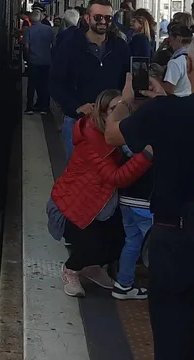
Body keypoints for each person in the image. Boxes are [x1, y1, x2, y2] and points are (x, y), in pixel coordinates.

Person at [106, 69, 194, 360]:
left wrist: (125, 101)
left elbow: (112, 133)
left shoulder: (166, 112)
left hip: (176, 236)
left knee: (172, 330)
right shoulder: (167, 108)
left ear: (190, 69)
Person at [47, 89, 152, 298]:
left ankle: (92, 267)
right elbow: (115, 177)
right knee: (95, 245)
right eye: (115, 109)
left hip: (101, 206)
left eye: (125, 108)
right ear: (102, 114)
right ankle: (71, 269)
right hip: (73, 208)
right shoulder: (93, 138)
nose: (121, 114)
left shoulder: (116, 135)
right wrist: (148, 155)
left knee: (123, 240)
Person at [50, 0, 131, 157]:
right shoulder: (69, 47)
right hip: (79, 122)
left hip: (112, 120)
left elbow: (126, 79)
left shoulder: (120, 47)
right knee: (79, 173)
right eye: (98, 17)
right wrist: (77, 107)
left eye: (108, 18)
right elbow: (55, 83)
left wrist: (121, 105)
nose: (103, 22)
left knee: (112, 172)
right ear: (87, 18)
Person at [113, 144, 153, 301]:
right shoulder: (154, 142)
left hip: (126, 200)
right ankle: (163, 290)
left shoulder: (129, 139)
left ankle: (123, 285)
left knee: (132, 242)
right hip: (146, 204)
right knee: (155, 249)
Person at [23, 9, 54, 115]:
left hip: (33, 61)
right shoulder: (49, 29)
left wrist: (27, 58)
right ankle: (44, 107)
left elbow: (26, 46)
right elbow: (54, 45)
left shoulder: (28, 30)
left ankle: (30, 107)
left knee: (31, 85)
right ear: (40, 18)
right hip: (46, 61)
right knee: (45, 84)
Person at [162, 22, 192, 97]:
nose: (170, 44)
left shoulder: (175, 62)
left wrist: (155, 79)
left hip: (178, 102)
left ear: (178, 38)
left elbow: (169, 89)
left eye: (170, 40)